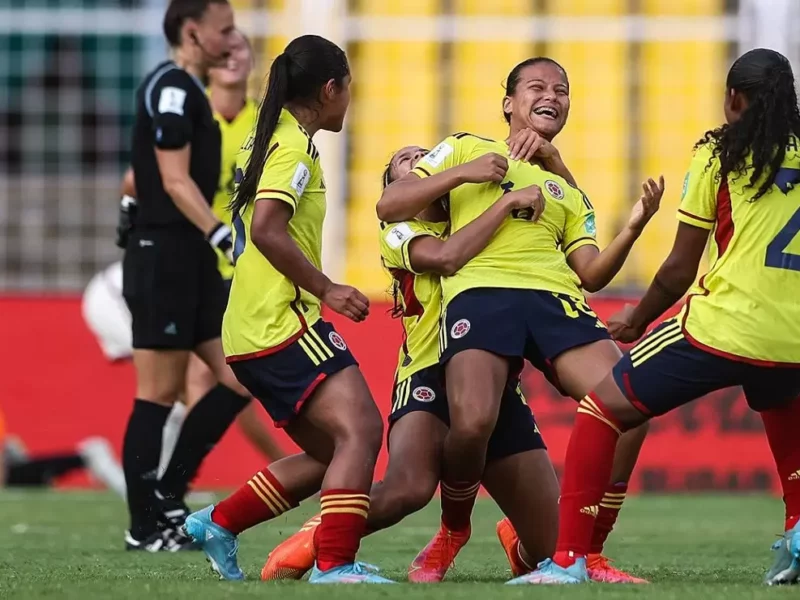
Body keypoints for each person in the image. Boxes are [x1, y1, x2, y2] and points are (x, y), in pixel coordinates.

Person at [508, 48, 800, 586]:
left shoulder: (721, 154)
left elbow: (677, 269)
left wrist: (638, 318)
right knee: (784, 412)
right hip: (794, 336)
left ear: (733, 99)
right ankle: (799, 540)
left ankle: (570, 560)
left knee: (603, 409)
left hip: (727, 322)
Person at [377, 57, 663, 584]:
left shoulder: (567, 191)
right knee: (474, 421)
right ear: (508, 102)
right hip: (483, 293)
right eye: (536, 86)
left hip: (555, 298)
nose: (552, 94)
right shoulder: (466, 146)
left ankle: (586, 555)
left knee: (630, 408)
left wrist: (634, 227)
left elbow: (592, 274)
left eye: (562, 89)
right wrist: (470, 172)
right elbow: (390, 204)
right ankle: (451, 531)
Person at [259, 143, 561, 582]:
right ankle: (315, 541)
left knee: (552, 547)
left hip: (492, 375)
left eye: (427, 155)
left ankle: (517, 543)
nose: (420, 161)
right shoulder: (397, 228)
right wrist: (496, 196)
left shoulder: (476, 214)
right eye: (406, 160)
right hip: (428, 373)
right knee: (408, 489)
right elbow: (444, 257)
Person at [182, 35, 394, 584]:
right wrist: (326, 288)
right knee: (362, 432)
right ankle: (335, 565)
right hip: (282, 321)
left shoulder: (268, 133)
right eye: (348, 89)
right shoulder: (294, 149)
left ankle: (221, 522)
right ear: (330, 89)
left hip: (249, 325)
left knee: (334, 454)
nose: (349, 100)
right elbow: (268, 229)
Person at [121, 0, 255, 552]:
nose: (231, 40)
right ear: (193, 32)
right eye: (224, 30)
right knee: (157, 394)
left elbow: (151, 175)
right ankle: (144, 526)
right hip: (167, 258)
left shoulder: (188, 90)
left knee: (240, 376)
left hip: (189, 262)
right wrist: (219, 233)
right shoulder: (173, 88)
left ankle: (170, 496)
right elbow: (174, 180)